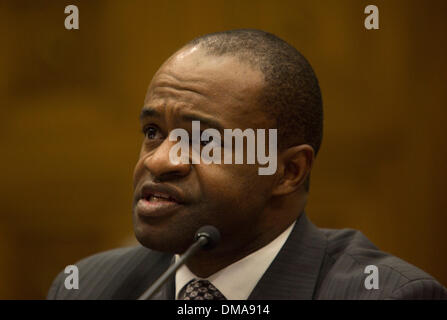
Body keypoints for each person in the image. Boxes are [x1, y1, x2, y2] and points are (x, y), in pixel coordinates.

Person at [47, 29, 447, 300]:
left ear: (288, 171)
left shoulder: (387, 294)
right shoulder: (87, 287)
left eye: (204, 140)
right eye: (153, 132)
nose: (159, 159)